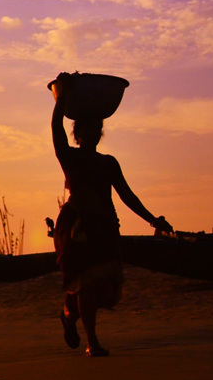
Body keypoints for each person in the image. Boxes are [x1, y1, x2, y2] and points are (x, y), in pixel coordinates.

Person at [51, 75, 172, 356]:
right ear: (78, 134)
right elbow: (56, 127)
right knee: (86, 284)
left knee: (109, 290)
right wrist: (61, 98)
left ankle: (69, 316)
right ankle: (92, 342)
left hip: (103, 226)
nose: (93, 132)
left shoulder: (108, 163)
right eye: (88, 129)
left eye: (97, 128)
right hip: (77, 228)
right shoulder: (70, 157)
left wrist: (154, 220)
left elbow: (127, 195)